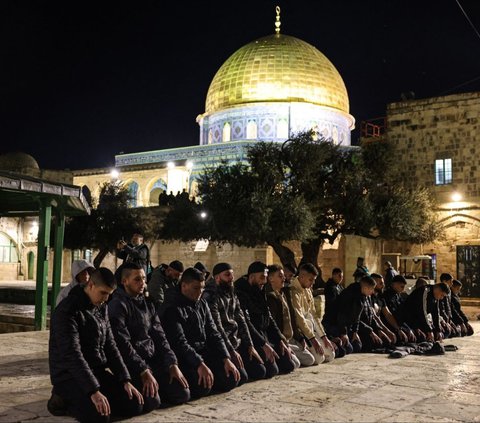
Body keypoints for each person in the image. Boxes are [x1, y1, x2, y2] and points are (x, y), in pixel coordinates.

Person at [48, 268, 144, 423]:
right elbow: (72, 355)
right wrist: (93, 391)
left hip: (96, 371)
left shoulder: (101, 307)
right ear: (91, 285)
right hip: (68, 375)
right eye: (103, 293)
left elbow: (110, 345)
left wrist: (125, 379)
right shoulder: (67, 310)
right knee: (100, 416)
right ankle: (61, 399)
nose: (106, 299)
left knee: (134, 404)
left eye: (109, 294)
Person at [108, 263, 190, 411]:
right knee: (150, 402)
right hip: (133, 364)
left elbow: (159, 335)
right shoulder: (117, 305)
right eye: (137, 279)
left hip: (152, 359)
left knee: (182, 392)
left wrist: (172, 363)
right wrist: (143, 370)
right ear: (124, 281)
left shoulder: (147, 303)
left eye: (144, 279)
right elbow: (123, 344)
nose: (142, 283)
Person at [160, 267, 241, 399]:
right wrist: (199, 364)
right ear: (184, 286)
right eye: (196, 288)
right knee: (201, 387)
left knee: (233, 376)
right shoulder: (172, 307)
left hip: (203, 351)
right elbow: (180, 343)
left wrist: (226, 357)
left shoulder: (201, 303)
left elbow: (213, 332)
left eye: (202, 288)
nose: (200, 292)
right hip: (185, 357)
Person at [202, 262, 265, 382]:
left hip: (236, 342)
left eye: (232, 275)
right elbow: (217, 327)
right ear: (217, 278)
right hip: (222, 346)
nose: (231, 278)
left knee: (261, 370)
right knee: (237, 379)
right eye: (227, 275)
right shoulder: (210, 296)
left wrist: (250, 346)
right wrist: (230, 352)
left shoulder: (232, 292)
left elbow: (241, 320)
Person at [235, 261, 297, 377]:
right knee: (266, 371)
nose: (264, 281)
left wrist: (280, 340)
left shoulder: (260, 288)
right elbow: (247, 323)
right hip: (252, 339)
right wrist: (263, 344)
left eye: (265, 278)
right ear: (252, 276)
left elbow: (269, 317)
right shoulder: (240, 293)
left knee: (288, 365)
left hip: (264, 337)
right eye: (262, 277)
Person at [265, 264, 315, 367]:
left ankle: (293, 349)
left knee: (310, 359)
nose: (284, 278)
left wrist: (300, 338)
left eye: (283, 276)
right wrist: (282, 342)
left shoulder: (283, 294)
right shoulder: (270, 297)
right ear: (271, 279)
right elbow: (273, 325)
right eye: (280, 276)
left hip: (291, 338)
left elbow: (293, 318)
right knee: (295, 364)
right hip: (281, 340)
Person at [289, 263, 335, 364]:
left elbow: (314, 316)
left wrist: (324, 337)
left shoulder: (308, 290)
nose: (313, 283)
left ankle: (311, 350)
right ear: (302, 276)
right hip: (300, 333)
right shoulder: (293, 291)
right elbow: (299, 320)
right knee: (318, 359)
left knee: (331, 354)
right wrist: (313, 340)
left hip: (310, 330)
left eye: (314, 280)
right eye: (311, 279)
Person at [337, 275, 389, 353]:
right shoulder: (349, 295)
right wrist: (343, 333)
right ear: (365, 287)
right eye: (372, 289)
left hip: (352, 327)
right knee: (353, 348)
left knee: (378, 343)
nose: (372, 292)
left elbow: (357, 317)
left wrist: (355, 332)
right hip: (339, 326)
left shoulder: (363, 296)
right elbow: (342, 315)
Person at [321, 268, 354, 356]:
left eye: (342, 276)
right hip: (331, 321)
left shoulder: (339, 286)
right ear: (333, 275)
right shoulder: (330, 287)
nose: (341, 278)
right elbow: (334, 305)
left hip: (339, 322)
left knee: (350, 348)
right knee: (341, 351)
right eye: (339, 276)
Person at [370, 273, 409, 344]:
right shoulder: (368, 298)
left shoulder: (380, 297)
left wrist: (398, 329)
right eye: (381, 283)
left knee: (402, 338)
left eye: (383, 283)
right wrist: (385, 331)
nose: (383, 286)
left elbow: (388, 314)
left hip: (380, 326)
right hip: (371, 328)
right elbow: (374, 317)